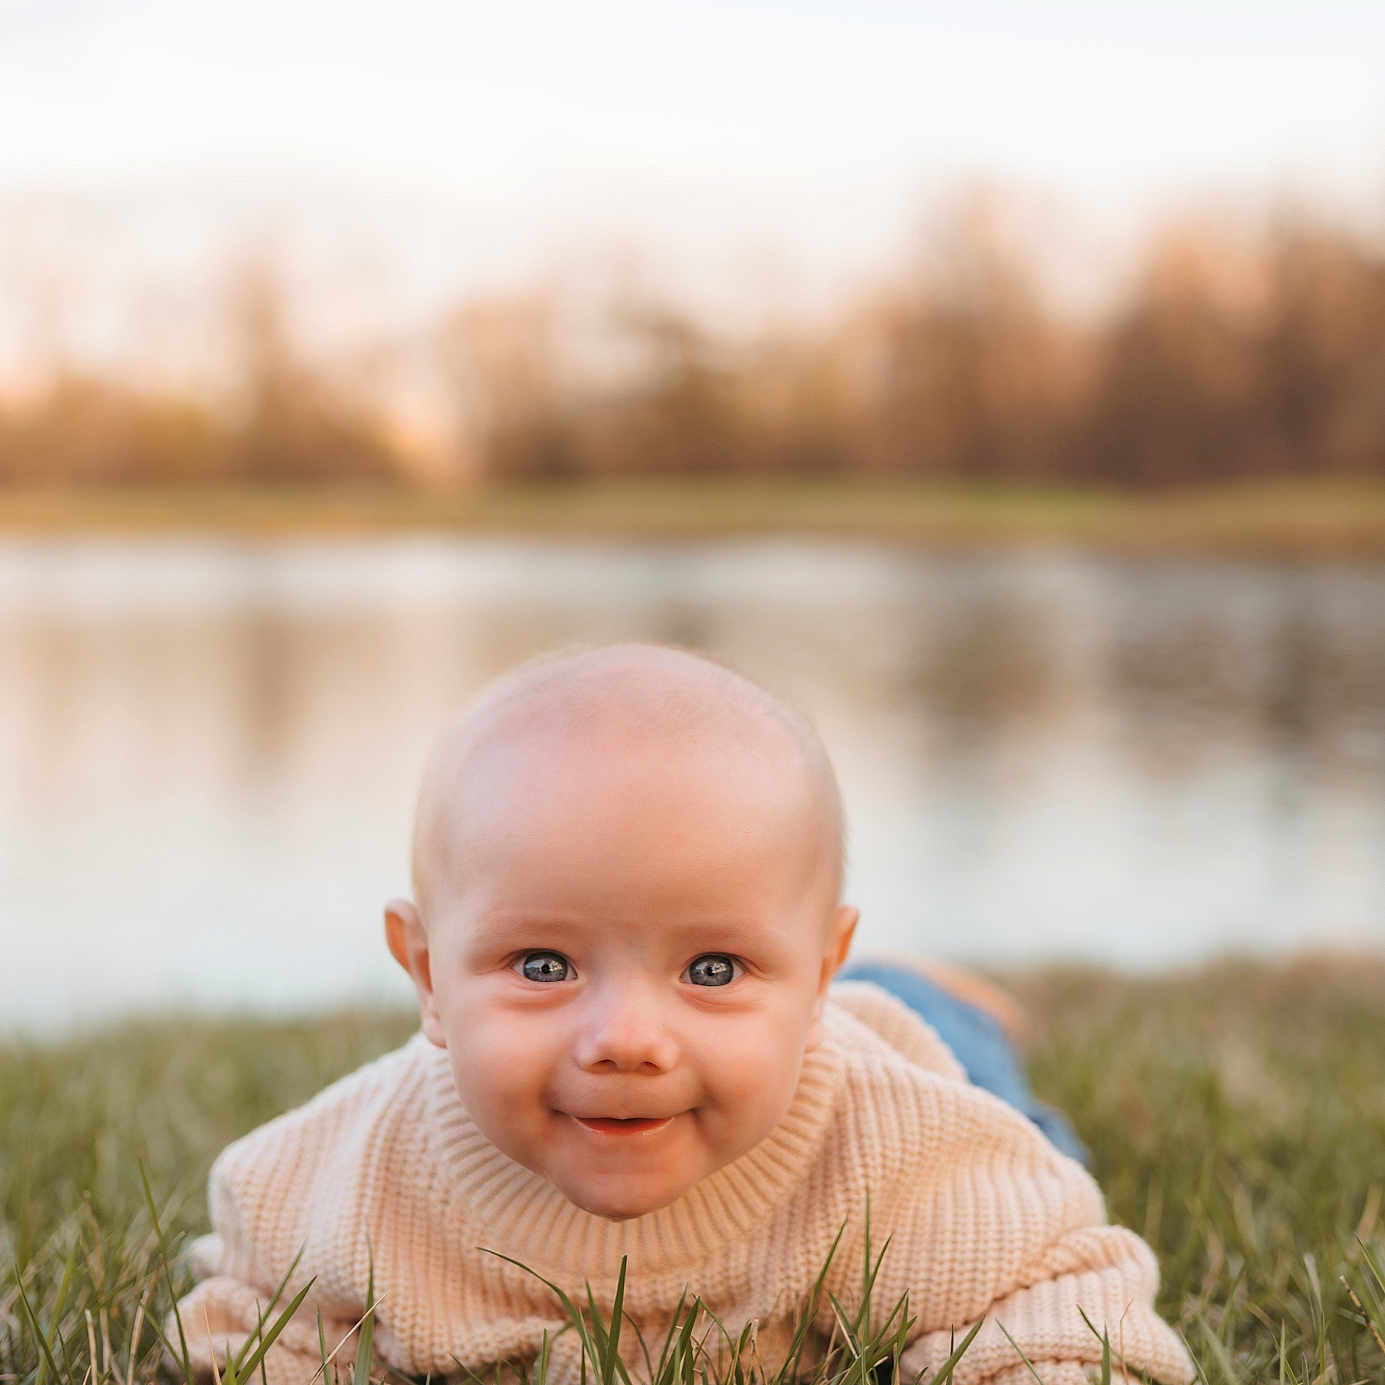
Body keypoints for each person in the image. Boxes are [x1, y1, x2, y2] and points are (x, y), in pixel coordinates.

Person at [173, 642, 1193, 1385]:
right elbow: (245, 1319)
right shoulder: (355, 1169)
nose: (625, 1038)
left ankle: (927, 995)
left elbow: (1063, 1306)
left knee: (1025, 1123)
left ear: (813, 974)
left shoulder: (900, 1145)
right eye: (542, 962)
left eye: (711, 964)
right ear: (428, 976)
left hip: (915, 1062)